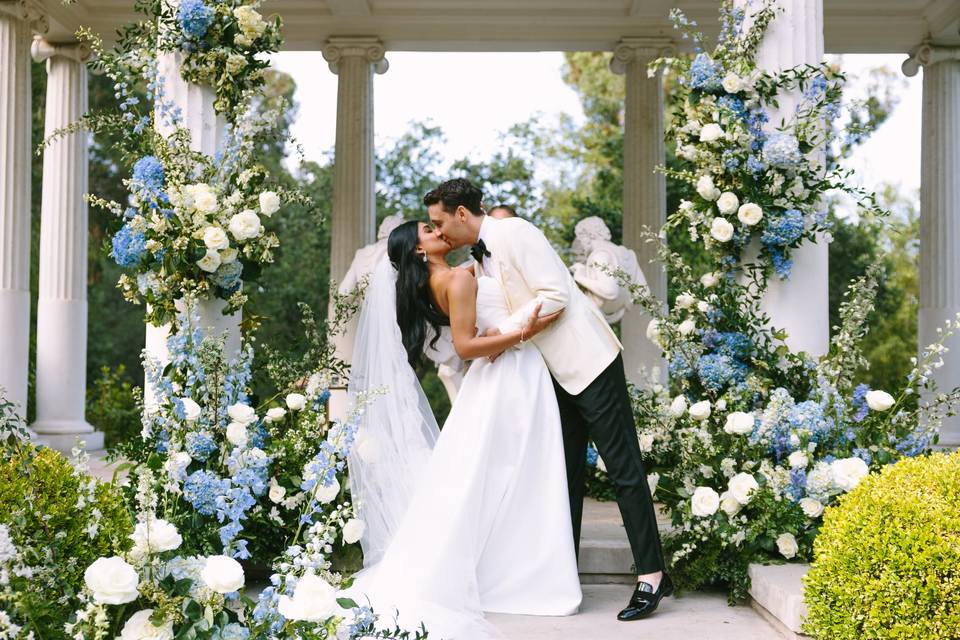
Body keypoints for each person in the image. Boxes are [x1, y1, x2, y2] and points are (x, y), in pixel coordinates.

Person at [425, 178, 671, 622]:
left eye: (440, 223)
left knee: (624, 470)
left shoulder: (516, 232)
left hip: (589, 362)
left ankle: (652, 575)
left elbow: (556, 295)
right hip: (548, 376)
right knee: (563, 476)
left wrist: (503, 334)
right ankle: (561, 576)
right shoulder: (475, 259)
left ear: (462, 214)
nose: (438, 233)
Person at [345, 218, 581, 638]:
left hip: (497, 377)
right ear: (420, 251)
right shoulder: (455, 279)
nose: (438, 232)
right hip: (509, 371)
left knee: (494, 474)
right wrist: (522, 331)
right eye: (428, 232)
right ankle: (519, 579)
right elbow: (467, 347)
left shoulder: (451, 277)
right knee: (520, 469)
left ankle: (506, 570)